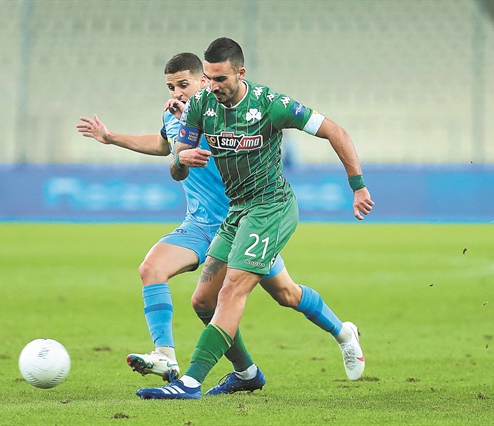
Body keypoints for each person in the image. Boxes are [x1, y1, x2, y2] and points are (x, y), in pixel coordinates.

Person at [78, 52, 364, 397]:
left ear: (204, 81)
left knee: (286, 294)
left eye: (183, 84)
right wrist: (114, 138)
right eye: (171, 87)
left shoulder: (222, 112)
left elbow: (231, 143)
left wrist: (358, 186)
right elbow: (166, 148)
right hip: (202, 225)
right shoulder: (180, 116)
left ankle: (343, 333)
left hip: (251, 220)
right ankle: (178, 358)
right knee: (158, 273)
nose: (177, 92)